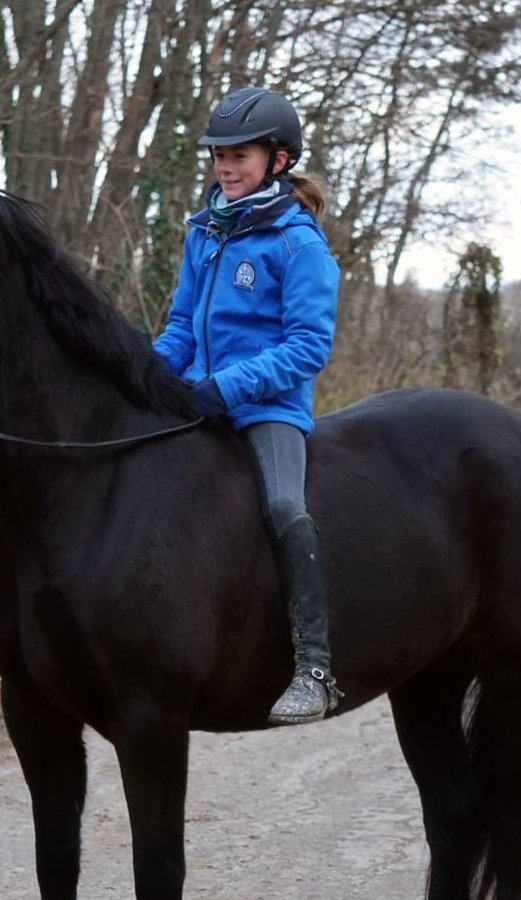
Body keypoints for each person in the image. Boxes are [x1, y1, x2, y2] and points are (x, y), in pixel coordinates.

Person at [153, 86, 342, 725]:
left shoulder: (299, 245)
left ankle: (315, 668)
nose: (226, 168)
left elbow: (308, 346)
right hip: (198, 395)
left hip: (269, 409)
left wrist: (228, 387)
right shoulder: (205, 231)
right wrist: (144, 375)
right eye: (219, 157)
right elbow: (182, 326)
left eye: (239, 156)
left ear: (279, 160)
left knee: (285, 507)